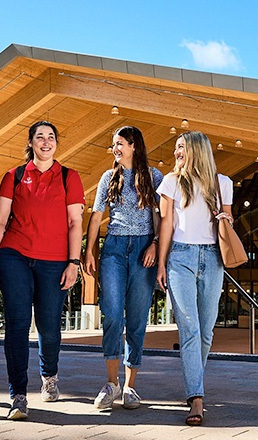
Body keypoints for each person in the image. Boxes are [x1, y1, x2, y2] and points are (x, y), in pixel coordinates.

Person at [0, 120, 85, 420]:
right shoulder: (13, 176)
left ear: (56, 143)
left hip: (54, 261)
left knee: (49, 328)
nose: (45, 141)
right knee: (17, 323)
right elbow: (0, 222)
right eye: (39, 137)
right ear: (30, 143)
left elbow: (75, 223)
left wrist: (74, 263)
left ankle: (49, 374)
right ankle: (18, 395)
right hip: (14, 255)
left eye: (51, 137)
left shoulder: (69, 177)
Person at [155, 131, 233, 427]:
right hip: (180, 257)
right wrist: (161, 264)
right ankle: (196, 397)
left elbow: (227, 220)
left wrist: (225, 218)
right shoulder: (171, 182)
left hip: (213, 258)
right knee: (189, 328)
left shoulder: (222, 183)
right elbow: (167, 224)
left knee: (206, 331)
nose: (177, 152)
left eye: (182, 148)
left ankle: (193, 384)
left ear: (198, 151)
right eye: (176, 147)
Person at [84, 126, 164, 410]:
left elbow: (163, 217)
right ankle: (111, 384)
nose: (115, 148)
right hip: (114, 249)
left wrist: (155, 244)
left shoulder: (154, 177)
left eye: (119, 144)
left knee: (137, 319)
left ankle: (130, 387)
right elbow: (96, 217)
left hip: (144, 250)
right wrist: (89, 252)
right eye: (113, 144)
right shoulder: (108, 177)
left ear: (133, 145)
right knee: (113, 315)